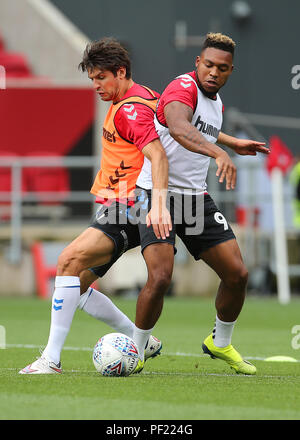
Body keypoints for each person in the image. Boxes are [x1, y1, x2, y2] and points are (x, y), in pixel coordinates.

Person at [19, 37, 171, 374]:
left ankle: (51, 360)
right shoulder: (144, 97)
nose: (96, 85)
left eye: (101, 77)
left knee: (67, 261)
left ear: (120, 72)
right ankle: (140, 338)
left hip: (129, 207)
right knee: (79, 284)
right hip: (120, 205)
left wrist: (156, 203)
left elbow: (157, 154)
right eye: (91, 79)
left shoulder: (131, 109)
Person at [133, 32, 270, 374]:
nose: (213, 72)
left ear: (230, 71)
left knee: (237, 274)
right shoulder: (182, 88)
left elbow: (202, 126)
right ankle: (135, 350)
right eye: (208, 64)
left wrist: (232, 142)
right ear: (198, 63)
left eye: (221, 68)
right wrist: (218, 152)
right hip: (157, 195)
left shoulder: (215, 102)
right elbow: (178, 125)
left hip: (194, 199)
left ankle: (219, 343)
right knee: (162, 276)